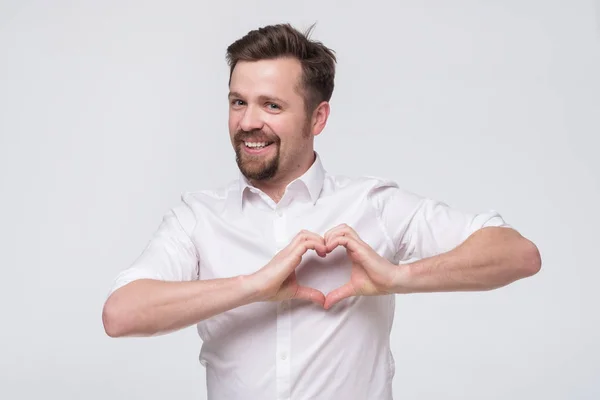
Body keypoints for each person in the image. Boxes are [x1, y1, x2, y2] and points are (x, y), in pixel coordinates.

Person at [102, 23, 541, 400]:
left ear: (318, 118)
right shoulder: (196, 217)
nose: (248, 122)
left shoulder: (373, 205)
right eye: (239, 102)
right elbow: (121, 314)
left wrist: (399, 278)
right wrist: (253, 286)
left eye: (271, 105)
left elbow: (518, 254)